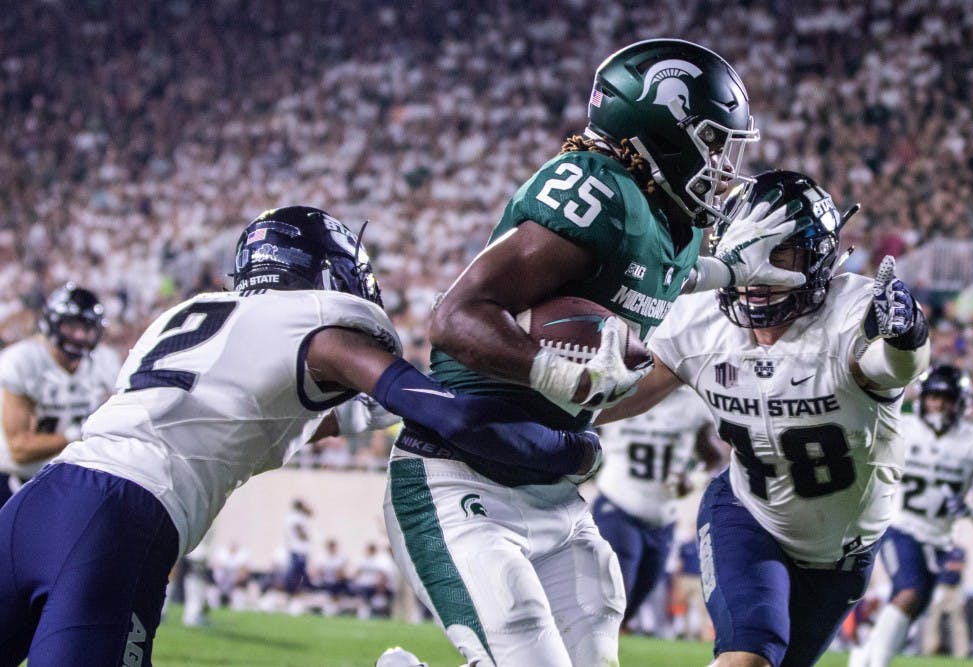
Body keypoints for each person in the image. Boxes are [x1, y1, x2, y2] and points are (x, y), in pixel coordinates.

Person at [0, 206, 602, 667]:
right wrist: (571, 449)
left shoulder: (187, 317)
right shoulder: (324, 330)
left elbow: (264, 420)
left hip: (37, 503)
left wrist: (387, 412)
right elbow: (453, 417)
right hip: (122, 522)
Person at [382, 38, 810, 667]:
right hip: (460, 473)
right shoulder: (593, 188)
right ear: (661, 127)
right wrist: (549, 368)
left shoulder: (674, 223)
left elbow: (654, 275)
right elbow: (451, 319)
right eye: (714, 141)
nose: (723, 162)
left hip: (551, 485)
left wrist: (730, 269)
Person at [600, 169, 932, 667]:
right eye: (746, 251)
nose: (759, 274)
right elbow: (610, 400)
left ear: (818, 257)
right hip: (747, 515)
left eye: (780, 254)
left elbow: (891, 366)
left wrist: (907, 338)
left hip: (841, 556)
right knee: (750, 655)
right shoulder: (701, 322)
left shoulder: (851, 313)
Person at [852, 365, 973, 667]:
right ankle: (875, 662)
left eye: (946, 398)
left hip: (940, 540)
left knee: (914, 603)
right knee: (910, 590)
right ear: (922, 399)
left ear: (961, 403)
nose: (938, 405)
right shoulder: (902, 427)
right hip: (898, 526)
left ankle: (863, 656)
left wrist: (969, 510)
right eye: (933, 397)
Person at [592, 385, 722, 630]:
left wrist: (693, 479)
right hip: (617, 504)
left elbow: (712, 457)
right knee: (617, 592)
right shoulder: (619, 389)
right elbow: (580, 424)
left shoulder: (692, 403)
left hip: (664, 516)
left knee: (637, 597)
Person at [0, 284, 119, 508]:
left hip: (72, 480)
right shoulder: (22, 361)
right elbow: (19, 448)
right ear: (52, 323)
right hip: (15, 481)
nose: (80, 336)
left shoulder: (105, 362)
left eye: (87, 328)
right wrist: (77, 433)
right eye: (71, 326)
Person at [920, 545, 969, 658]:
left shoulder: (959, 549)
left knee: (958, 620)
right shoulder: (939, 549)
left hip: (955, 588)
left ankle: (961, 653)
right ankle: (929, 649)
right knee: (933, 619)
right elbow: (937, 566)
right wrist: (950, 566)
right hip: (940, 587)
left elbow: (960, 565)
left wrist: (950, 566)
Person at [283, 497, 315, 613]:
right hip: (298, 550)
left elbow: (311, 513)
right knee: (297, 576)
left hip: (296, 550)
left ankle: (293, 599)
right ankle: (293, 599)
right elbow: (301, 532)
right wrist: (306, 536)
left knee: (298, 576)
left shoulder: (294, 516)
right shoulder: (295, 517)